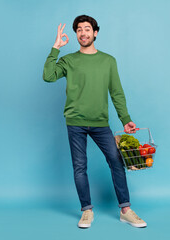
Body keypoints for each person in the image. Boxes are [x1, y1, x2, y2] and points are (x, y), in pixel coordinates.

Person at [43, 15, 146, 228]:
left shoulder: (108, 61)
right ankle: (87, 211)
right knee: (79, 167)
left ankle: (125, 210)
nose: (83, 33)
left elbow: (116, 92)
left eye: (87, 29)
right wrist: (55, 47)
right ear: (76, 34)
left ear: (95, 32)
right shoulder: (69, 60)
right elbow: (48, 76)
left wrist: (125, 119)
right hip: (75, 122)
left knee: (117, 161)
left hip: (100, 123)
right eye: (79, 29)